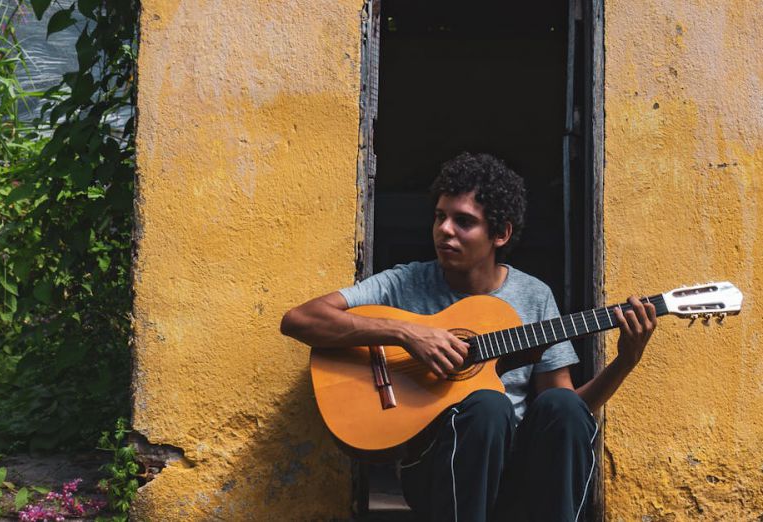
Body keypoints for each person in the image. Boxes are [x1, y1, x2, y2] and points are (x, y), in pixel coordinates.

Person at [280, 152, 657, 522]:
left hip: (518, 480)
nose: (444, 229)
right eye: (440, 217)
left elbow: (568, 410)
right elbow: (300, 319)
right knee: (488, 406)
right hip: (438, 475)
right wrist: (406, 333)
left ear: (501, 233)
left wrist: (625, 362)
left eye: (463, 221)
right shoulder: (406, 282)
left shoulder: (534, 295)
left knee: (562, 405)